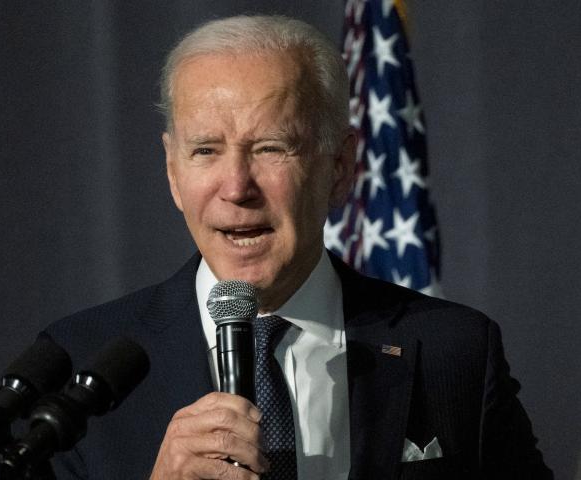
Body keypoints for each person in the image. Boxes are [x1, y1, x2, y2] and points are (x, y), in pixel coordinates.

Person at [43, 14, 552, 479]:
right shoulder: (77, 368)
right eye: (205, 151)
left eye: (270, 148)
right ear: (173, 171)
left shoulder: (455, 352)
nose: (237, 186)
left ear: (338, 168)